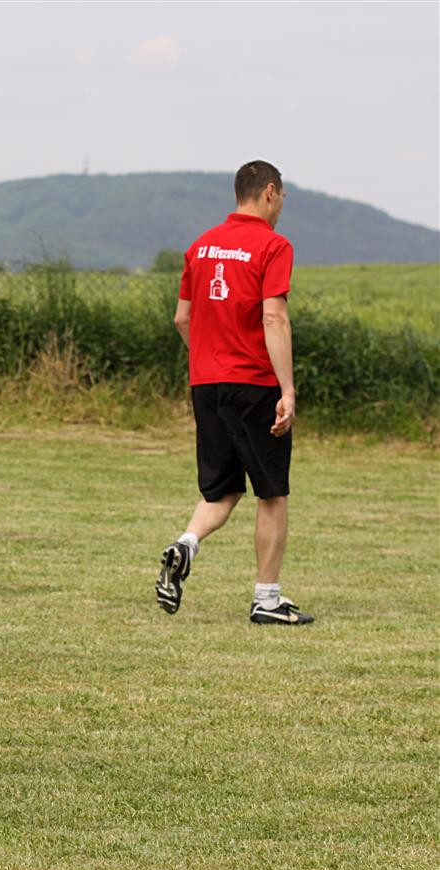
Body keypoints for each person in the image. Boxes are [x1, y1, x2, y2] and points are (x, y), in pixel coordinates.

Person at [154, 159, 314, 626]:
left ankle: (186, 544)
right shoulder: (274, 245)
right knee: (272, 493)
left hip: (207, 384)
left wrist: (209, 357)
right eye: (282, 197)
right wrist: (287, 389)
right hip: (255, 384)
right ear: (270, 192)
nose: (281, 206)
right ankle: (267, 599)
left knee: (221, 488)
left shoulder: (200, 246)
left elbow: (182, 318)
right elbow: (274, 317)